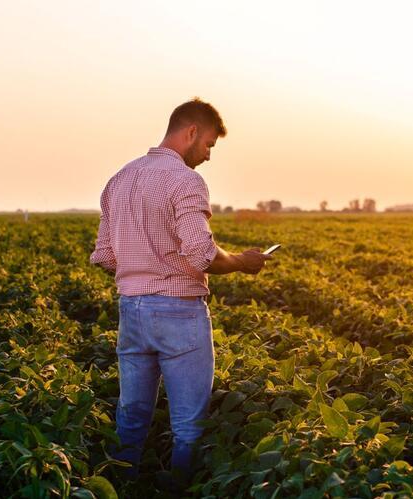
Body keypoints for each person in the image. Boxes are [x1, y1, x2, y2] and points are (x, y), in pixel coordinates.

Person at [89, 98, 271, 486]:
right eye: (207, 145)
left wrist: (144, 266)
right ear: (191, 132)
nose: (207, 156)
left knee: (132, 415)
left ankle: (121, 487)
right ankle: (179, 490)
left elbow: (104, 256)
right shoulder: (185, 180)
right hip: (178, 312)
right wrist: (242, 260)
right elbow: (202, 254)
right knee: (189, 423)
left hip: (131, 310)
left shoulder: (119, 179)